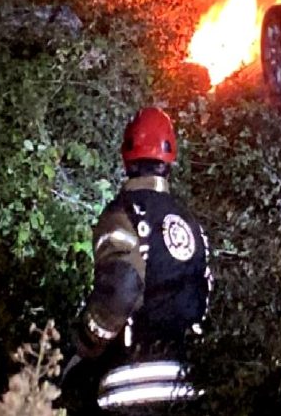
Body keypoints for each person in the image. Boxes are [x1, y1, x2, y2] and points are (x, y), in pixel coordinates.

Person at [67, 107, 213, 412]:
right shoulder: (191, 223)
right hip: (189, 382)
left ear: (126, 157)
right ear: (169, 160)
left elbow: (122, 288)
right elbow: (206, 294)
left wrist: (85, 339)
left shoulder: (121, 215)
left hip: (131, 385)